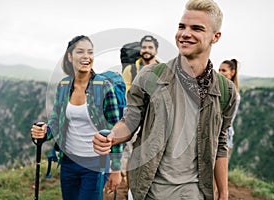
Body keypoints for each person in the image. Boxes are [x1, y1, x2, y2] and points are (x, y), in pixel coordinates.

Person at [93, 0, 237, 199]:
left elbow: (220, 142)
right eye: (181, 26)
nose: (185, 33)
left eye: (197, 28)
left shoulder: (225, 90)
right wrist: (111, 136)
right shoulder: (149, 75)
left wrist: (223, 192)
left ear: (216, 36)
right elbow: (131, 120)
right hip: (148, 190)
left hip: (195, 193)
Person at [30, 35, 123, 200]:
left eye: (90, 52)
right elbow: (56, 122)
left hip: (95, 164)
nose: (86, 56)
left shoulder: (103, 87)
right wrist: (44, 132)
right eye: (80, 52)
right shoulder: (64, 85)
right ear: (70, 56)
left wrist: (115, 169)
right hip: (68, 162)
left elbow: (115, 130)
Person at [219, 59, 241, 159]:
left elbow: (228, 119)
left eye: (224, 70)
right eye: (219, 70)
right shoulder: (220, 90)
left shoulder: (234, 94)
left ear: (232, 72)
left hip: (224, 135)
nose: (220, 73)